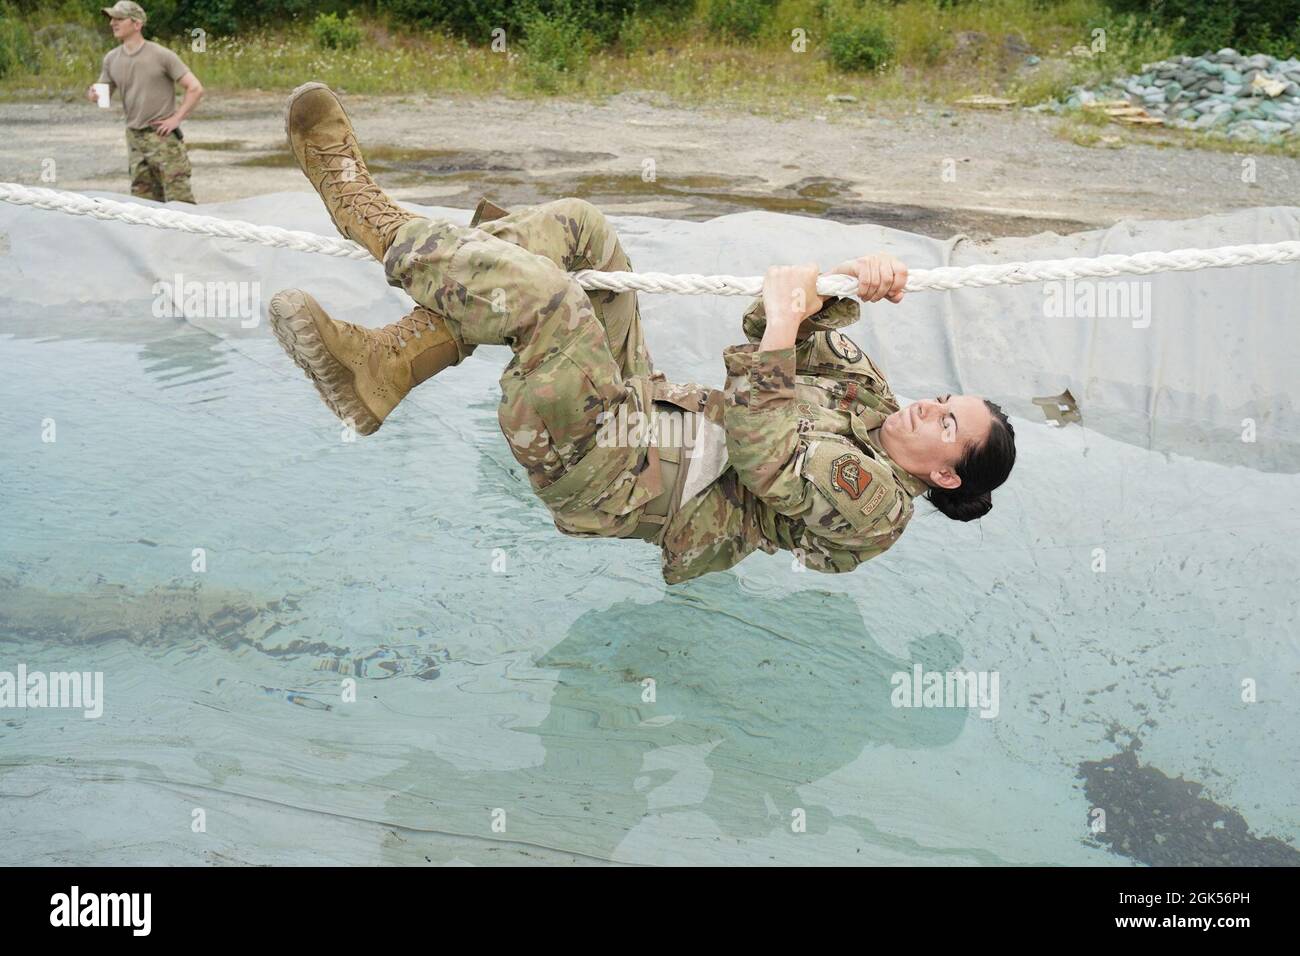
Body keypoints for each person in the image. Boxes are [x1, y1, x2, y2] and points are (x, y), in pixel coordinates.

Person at [267, 83, 1017, 584]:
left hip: (612, 474)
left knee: (551, 302)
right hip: (638, 405)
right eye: (946, 397)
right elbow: (768, 324)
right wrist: (849, 280)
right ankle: (388, 366)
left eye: (948, 422)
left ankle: (366, 212)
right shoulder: (872, 399)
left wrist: (788, 320)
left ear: (948, 474)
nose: (929, 405)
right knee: (584, 233)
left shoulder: (878, 507)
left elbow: (765, 453)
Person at [86, 2, 204, 203]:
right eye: (111, 19)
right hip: (134, 139)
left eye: (119, 19)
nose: (113, 23)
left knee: (180, 203)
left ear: (137, 24)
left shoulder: (161, 55)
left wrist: (176, 119)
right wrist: (93, 94)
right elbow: (102, 92)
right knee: (143, 205)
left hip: (162, 138)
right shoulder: (111, 59)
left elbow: (195, 88)